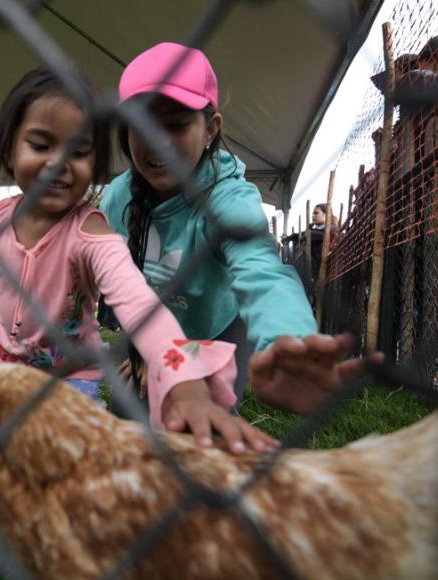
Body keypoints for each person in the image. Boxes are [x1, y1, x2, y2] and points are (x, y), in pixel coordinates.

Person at [0, 67, 278, 456]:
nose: (58, 163)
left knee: (75, 458)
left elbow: (137, 302)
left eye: (78, 151)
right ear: (9, 151)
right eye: (39, 144)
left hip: (72, 372)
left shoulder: (91, 232)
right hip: (5, 365)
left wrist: (183, 379)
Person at [101, 42, 378, 415]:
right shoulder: (117, 201)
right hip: (156, 331)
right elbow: (120, 285)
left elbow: (261, 269)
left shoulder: (228, 197)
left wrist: (288, 338)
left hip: (218, 329)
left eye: (176, 125)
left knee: (206, 428)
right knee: (129, 416)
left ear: (211, 129)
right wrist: (148, 350)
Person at [284, 203, 340, 288]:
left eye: (316, 213)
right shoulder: (315, 230)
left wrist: (302, 234)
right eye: (312, 214)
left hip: (327, 272)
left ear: (326, 214)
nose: (313, 216)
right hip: (312, 271)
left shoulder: (332, 229)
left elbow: (314, 235)